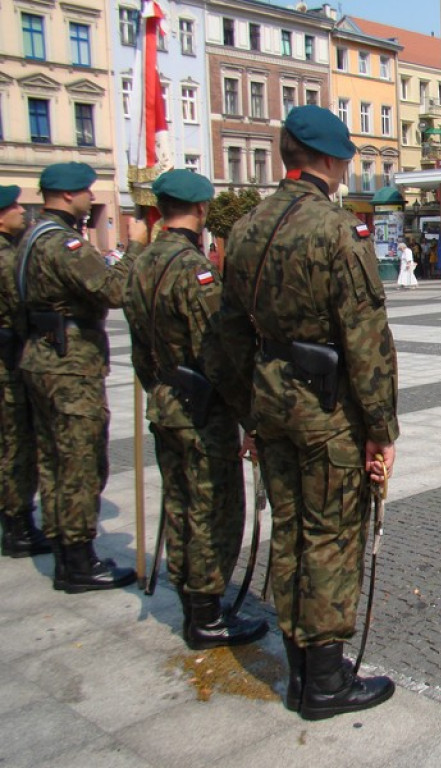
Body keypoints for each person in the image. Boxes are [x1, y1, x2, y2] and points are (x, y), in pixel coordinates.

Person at [219, 105, 398, 720]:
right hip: (326, 412)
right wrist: (381, 430)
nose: (347, 165)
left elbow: (228, 337)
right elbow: (366, 340)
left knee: (292, 532)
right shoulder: (334, 231)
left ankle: (301, 669)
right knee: (330, 536)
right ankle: (324, 682)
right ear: (325, 159)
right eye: (344, 156)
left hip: (271, 405)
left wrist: (249, 412)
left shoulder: (244, 229)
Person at [123, 169, 268, 649]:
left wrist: (160, 388)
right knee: (214, 510)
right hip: (202, 411)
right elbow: (221, 354)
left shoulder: (141, 263)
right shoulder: (195, 270)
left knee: (181, 504)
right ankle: (207, 617)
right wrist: (251, 417)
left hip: (165, 403)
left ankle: (192, 601)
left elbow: (140, 350)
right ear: (202, 210)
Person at [19, 162, 148, 592]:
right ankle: (79, 560)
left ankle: (64, 551)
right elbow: (113, 291)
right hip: (70, 364)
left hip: (41, 357)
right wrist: (133, 250)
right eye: (86, 193)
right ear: (70, 194)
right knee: (79, 461)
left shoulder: (30, 239)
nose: (90, 200)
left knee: (53, 459)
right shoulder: (65, 245)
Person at [0, 186, 49, 559]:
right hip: (8, 362)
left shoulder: (14, 252)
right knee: (16, 444)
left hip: (13, 356)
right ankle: (17, 524)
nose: (20, 211)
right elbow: (22, 308)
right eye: (13, 206)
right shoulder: (5, 259)